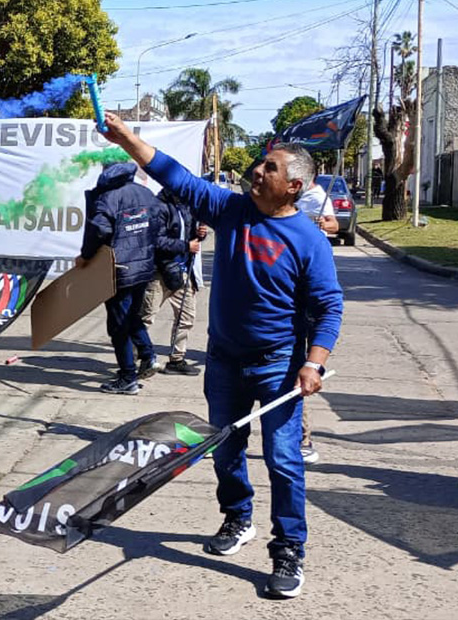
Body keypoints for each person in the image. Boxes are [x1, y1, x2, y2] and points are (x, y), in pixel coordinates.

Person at [98, 112, 343, 599]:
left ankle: (289, 548)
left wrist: (313, 362)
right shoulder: (232, 210)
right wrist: (126, 136)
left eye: (269, 168)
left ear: (293, 186)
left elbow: (329, 306)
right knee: (226, 448)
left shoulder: (309, 239)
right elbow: (176, 176)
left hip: (278, 365)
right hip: (225, 360)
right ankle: (238, 518)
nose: (257, 171)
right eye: (260, 163)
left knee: (284, 459)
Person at [75, 161, 159, 395]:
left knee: (118, 325)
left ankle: (128, 377)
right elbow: (159, 224)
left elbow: (99, 230)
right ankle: (148, 355)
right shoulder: (145, 193)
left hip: (118, 269)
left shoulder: (108, 197)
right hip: (143, 268)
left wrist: (86, 256)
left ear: (107, 172)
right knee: (132, 316)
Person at [140, 187, 207, 376]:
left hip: (183, 271)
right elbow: (156, 240)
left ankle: (177, 359)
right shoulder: (157, 206)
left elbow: (190, 235)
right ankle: (135, 360)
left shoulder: (186, 206)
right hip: (159, 272)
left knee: (186, 317)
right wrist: (186, 245)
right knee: (146, 317)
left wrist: (199, 234)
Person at [294, 179, 337, 465]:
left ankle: (303, 438)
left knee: (295, 369)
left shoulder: (318, 196)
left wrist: (324, 224)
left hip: (308, 293)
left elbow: (334, 225)